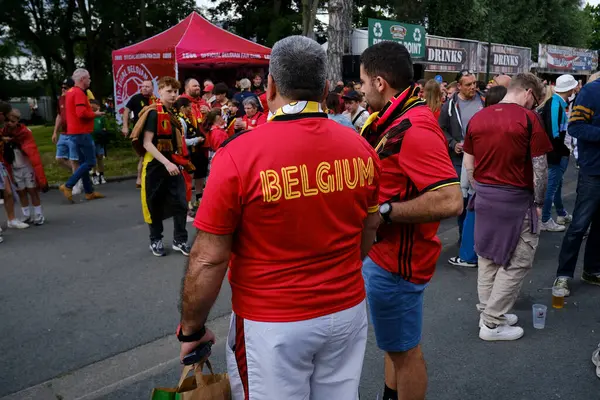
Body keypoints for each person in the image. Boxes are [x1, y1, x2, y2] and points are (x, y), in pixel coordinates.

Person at [178, 35, 381, 399]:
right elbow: (369, 228)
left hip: (271, 324)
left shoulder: (239, 155)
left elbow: (208, 258)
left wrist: (191, 329)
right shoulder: (362, 149)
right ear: (323, 88)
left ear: (270, 86)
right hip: (346, 312)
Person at [360, 42, 463, 400]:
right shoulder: (395, 118)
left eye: (361, 82)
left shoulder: (416, 127)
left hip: (398, 264)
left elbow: (451, 200)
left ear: (378, 82)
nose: (358, 90)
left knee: (406, 352)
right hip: (384, 257)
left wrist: (384, 212)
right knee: (394, 347)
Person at [462, 73, 552, 341]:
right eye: (534, 101)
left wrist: (479, 186)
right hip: (516, 199)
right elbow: (540, 167)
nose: (534, 106)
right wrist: (539, 202)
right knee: (518, 260)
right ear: (527, 92)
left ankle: (489, 313)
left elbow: (469, 158)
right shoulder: (528, 118)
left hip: (486, 196)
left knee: (487, 257)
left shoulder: (480, 116)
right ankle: (491, 322)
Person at [130, 76, 193, 257]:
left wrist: (175, 162)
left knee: (181, 202)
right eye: (169, 91)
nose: (173, 95)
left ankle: (179, 239)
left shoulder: (172, 113)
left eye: (175, 91)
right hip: (156, 164)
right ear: (160, 92)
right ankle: (155, 239)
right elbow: (147, 143)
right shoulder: (153, 113)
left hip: (172, 162)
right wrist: (166, 163)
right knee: (154, 203)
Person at [448, 85, 507, 269]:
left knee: (472, 219)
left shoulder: (480, 121)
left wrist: (466, 184)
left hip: (480, 182)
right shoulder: (513, 122)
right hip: (503, 183)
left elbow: (469, 154)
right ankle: (494, 253)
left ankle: (468, 256)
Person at [553, 75, 600, 295]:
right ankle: (563, 275)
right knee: (580, 224)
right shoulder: (591, 91)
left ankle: (591, 270)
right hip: (593, 171)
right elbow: (575, 128)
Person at [439, 70, 485, 242]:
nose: (473, 87)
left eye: (474, 83)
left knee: (481, 198)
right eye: (468, 84)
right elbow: (441, 128)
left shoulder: (484, 100)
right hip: (460, 160)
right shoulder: (450, 105)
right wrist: (452, 143)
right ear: (459, 86)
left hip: (482, 158)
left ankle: (478, 238)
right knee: (463, 201)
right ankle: (463, 237)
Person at [59, 68, 105, 203]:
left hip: (73, 132)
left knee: (83, 162)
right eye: (89, 78)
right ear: (82, 79)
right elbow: (81, 113)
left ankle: (89, 192)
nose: (90, 80)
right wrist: (95, 114)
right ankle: (68, 185)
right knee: (90, 161)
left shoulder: (70, 92)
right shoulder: (79, 93)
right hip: (81, 132)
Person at [538, 74, 577, 232]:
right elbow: (554, 132)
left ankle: (560, 213)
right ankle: (545, 219)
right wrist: (564, 151)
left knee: (556, 185)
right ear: (569, 89)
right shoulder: (555, 104)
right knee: (552, 187)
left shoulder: (556, 102)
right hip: (556, 153)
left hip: (557, 152)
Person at [1, 109, 48, 226]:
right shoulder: (3, 133)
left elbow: (29, 146)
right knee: (21, 191)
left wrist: (14, 141)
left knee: (32, 190)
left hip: (26, 166)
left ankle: (38, 214)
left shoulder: (24, 132)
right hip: (14, 167)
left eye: (12, 121)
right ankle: (26, 214)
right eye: (8, 121)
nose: (9, 123)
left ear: (17, 121)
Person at [180, 78, 209, 204]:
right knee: (188, 174)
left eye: (198, 85)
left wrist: (209, 112)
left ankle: (199, 198)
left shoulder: (203, 102)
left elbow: (212, 120)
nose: (198, 88)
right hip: (188, 144)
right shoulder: (181, 102)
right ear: (187, 88)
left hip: (202, 144)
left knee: (201, 173)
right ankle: (187, 202)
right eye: (194, 86)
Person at [122, 80, 155, 188]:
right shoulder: (136, 98)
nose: (144, 88)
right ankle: (139, 178)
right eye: (143, 86)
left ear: (152, 88)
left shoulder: (155, 100)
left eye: (147, 86)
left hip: (153, 131)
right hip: (140, 131)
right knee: (143, 154)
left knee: (148, 155)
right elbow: (126, 111)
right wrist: (125, 126)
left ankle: (144, 178)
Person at [90, 100, 107, 185]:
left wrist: (102, 133)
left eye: (94, 106)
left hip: (99, 141)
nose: (92, 107)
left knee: (100, 156)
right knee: (93, 158)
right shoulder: (89, 117)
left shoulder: (101, 117)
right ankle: (94, 175)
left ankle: (101, 174)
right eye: (91, 106)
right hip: (91, 140)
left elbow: (104, 128)